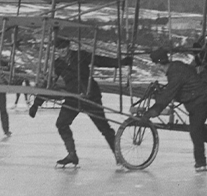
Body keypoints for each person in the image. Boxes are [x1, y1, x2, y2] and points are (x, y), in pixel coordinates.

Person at [29, 37, 131, 168]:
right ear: (56, 50)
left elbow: (100, 60)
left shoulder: (80, 56)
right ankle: (72, 155)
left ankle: (118, 156)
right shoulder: (57, 64)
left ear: (69, 46)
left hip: (90, 96)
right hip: (73, 98)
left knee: (104, 128)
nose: (62, 51)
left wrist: (120, 62)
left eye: (64, 48)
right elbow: (49, 83)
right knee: (61, 123)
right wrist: (37, 103)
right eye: (59, 49)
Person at [142, 48, 207, 172]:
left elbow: (169, 94)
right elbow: (176, 88)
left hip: (201, 101)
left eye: (155, 64)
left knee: (195, 131)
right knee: (198, 130)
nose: (155, 66)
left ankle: (201, 163)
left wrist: (152, 111)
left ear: (159, 63)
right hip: (196, 101)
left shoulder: (175, 72)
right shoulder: (175, 67)